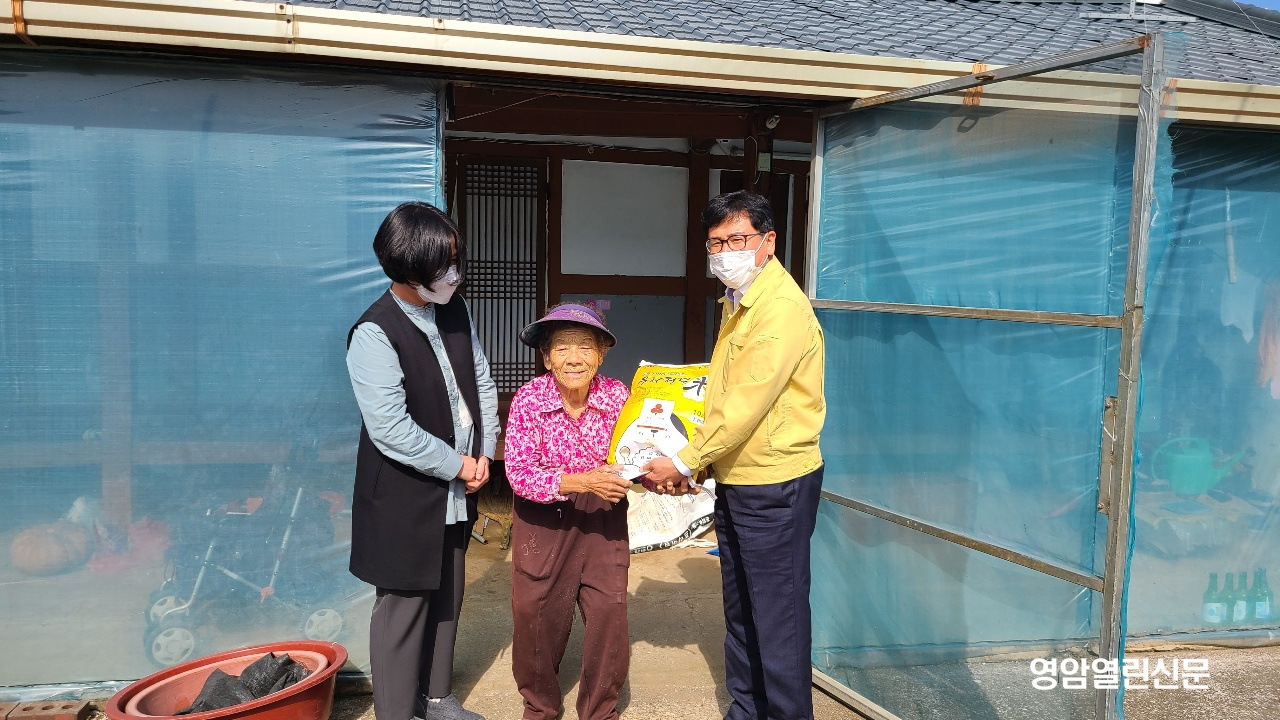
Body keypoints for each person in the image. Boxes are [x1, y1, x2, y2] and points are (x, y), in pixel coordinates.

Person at [642, 191, 826, 720]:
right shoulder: (739, 299)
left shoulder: (779, 308)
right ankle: (747, 709)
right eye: (715, 243)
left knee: (779, 616)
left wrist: (684, 460)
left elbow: (746, 404)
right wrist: (700, 460)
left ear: (768, 242)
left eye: (737, 239)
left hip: (774, 482)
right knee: (743, 609)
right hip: (739, 475)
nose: (725, 252)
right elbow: (722, 396)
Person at [345, 201, 499, 720]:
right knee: (403, 609)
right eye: (443, 266)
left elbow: (481, 380)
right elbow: (390, 429)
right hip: (404, 496)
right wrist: (458, 465)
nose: (455, 274)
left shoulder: (454, 309)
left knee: (448, 595)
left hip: (458, 487)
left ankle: (436, 698)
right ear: (409, 271)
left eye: (456, 260)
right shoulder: (374, 332)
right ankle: (395, 712)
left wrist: (485, 453)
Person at [503, 304, 634, 720]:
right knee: (535, 613)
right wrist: (583, 481)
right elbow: (519, 473)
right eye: (562, 348)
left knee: (609, 612)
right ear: (546, 357)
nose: (574, 358)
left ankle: (600, 711)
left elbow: (635, 456)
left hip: (603, 517)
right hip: (543, 519)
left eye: (585, 347)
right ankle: (540, 706)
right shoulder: (529, 399)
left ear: (601, 355)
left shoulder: (618, 396)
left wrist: (668, 475)